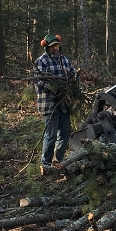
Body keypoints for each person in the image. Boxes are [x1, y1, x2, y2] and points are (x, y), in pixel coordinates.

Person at [33, 32, 81, 174]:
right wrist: (56, 89)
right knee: (51, 135)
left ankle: (57, 161)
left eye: (57, 46)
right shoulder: (41, 62)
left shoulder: (64, 60)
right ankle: (46, 163)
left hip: (64, 104)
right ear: (47, 48)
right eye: (53, 47)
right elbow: (40, 81)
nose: (55, 49)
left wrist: (74, 84)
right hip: (49, 104)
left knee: (65, 132)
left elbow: (73, 75)